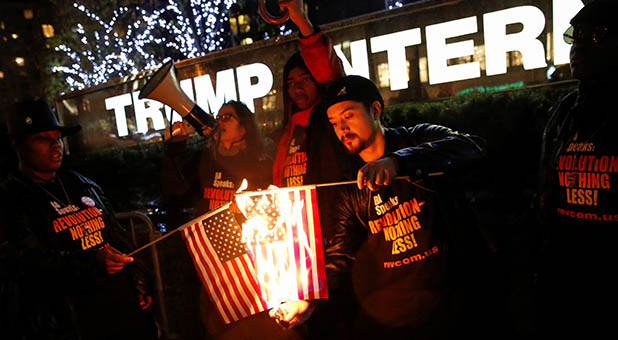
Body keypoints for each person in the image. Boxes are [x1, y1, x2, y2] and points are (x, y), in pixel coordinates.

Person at [270, 75, 491, 339]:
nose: (342, 129)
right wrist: (308, 300)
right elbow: (344, 254)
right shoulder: (352, 184)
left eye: (349, 116)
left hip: (452, 295)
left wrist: (398, 162)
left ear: (375, 110)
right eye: (335, 123)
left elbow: (472, 147)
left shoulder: (415, 140)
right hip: (398, 309)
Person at [0, 100, 158, 340]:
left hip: (123, 312)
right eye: (43, 139)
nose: (56, 146)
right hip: (72, 320)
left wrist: (137, 279)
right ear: (16, 144)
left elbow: (116, 236)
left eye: (58, 138)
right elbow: (27, 264)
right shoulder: (10, 199)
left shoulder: (81, 183)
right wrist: (92, 262)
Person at [161, 101, 308, 340]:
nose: (220, 122)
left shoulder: (261, 163)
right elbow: (174, 190)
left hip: (250, 263)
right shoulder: (203, 160)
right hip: (214, 262)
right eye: (218, 117)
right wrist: (174, 150)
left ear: (244, 128)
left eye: (227, 117)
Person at [537, 0, 618, 337]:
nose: (578, 45)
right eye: (575, 35)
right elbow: (546, 187)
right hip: (566, 276)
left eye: (594, 35)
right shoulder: (566, 109)